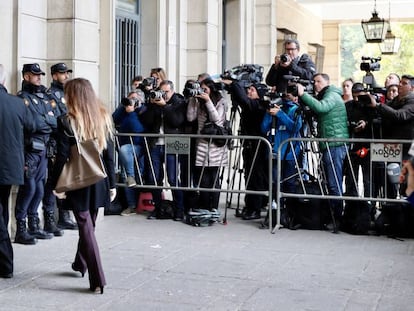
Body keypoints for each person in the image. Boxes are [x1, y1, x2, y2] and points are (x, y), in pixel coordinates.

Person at [49, 78, 116, 294]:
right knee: (89, 225)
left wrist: (55, 184)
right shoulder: (104, 117)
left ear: (72, 96)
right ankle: (80, 263)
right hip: (99, 179)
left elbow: (61, 157)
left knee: (86, 226)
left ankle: (97, 279)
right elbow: (109, 156)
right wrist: (113, 184)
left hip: (78, 180)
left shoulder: (66, 121)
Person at [297, 73, 349, 231]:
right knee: (331, 183)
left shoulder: (332, 95)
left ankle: (337, 218)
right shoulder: (327, 95)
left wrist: (303, 94)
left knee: (334, 184)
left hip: (335, 144)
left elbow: (321, 108)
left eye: (319, 81)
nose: (315, 84)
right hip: (330, 144)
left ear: (327, 82)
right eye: (314, 82)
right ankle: (332, 215)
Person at [14, 63, 56, 244]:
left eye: (40, 75)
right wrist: (45, 121)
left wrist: (44, 121)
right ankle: (20, 228)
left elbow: (54, 122)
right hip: (30, 150)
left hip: (44, 149)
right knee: (29, 188)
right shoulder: (22, 98)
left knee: (39, 188)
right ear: (26, 77)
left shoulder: (44, 98)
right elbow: (31, 124)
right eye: (35, 74)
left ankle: (33, 225)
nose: (39, 77)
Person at [0, 64, 35, 278]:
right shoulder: (18, 103)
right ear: (3, 80)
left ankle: (5, 263)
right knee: (3, 209)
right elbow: (32, 128)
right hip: (10, 167)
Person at [221, 79, 268, 220]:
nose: (248, 91)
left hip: (258, 147)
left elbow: (243, 100)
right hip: (249, 145)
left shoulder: (259, 105)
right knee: (249, 176)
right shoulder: (252, 105)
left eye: (252, 90)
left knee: (256, 178)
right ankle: (251, 205)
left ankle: (255, 208)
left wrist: (234, 82)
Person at [140, 80, 186, 220]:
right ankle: (158, 208)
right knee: (154, 178)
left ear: (172, 91)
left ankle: (179, 210)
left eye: (166, 92)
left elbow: (177, 121)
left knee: (173, 178)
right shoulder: (155, 101)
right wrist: (152, 105)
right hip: (155, 144)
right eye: (162, 91)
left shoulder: (178, 102)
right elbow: (146, 121)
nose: (163, 95)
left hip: (173, 143)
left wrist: (165, 106)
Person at [42, 62, 77, 235]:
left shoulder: (68, 93)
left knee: (67, 181)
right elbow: (55, 120)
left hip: (69, 142)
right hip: (56, 143)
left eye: (67, 73)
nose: (66, 76)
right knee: (53, 181)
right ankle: (50, 218)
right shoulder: (50, 95)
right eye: (63, 73)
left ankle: (65, 215)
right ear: (54, 75)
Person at [187, 78, 229, 212]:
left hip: (216, 146)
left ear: (211, 89)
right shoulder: (197, 102)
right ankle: (204, 208)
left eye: (205, 89)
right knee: (203, 181)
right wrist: (194, 100)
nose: (202, 91)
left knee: (214, 181)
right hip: (202, 145)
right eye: (201, 88)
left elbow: (216, 119)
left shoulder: (220, 102)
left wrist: (208, 101)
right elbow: (190, 117)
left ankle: (214, 209)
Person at [112, 90, 145, 215]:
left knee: (137, 174)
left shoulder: (142, 111)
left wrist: (133, 112)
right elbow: (113, 119)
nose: (129, 102)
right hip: (126, 150)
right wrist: (123, 105)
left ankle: (139, 203)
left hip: (139, 147)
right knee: (126, 176)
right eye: (129, 99)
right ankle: (131, 205)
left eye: (133, 99)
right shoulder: (125, 111)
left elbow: (137, 129)